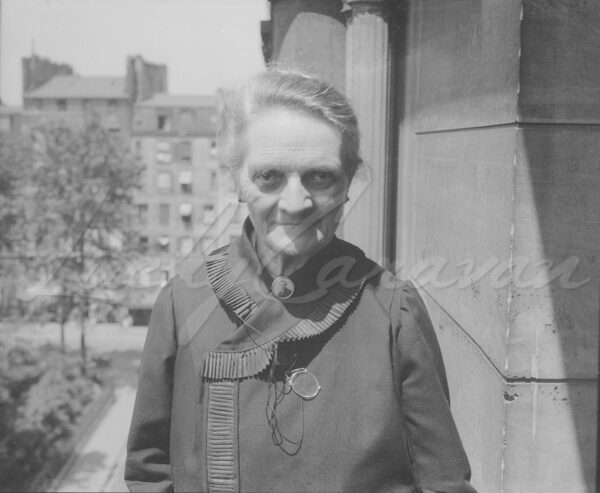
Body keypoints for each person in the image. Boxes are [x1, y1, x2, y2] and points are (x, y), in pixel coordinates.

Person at [125, 69, 476, 493]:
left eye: (320, 176)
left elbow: (444, 481)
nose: (296, 203)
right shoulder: (184, 303)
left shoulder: (391, 311)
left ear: (349, 184)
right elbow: (148, 473)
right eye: (269, 176)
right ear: (237, 181)